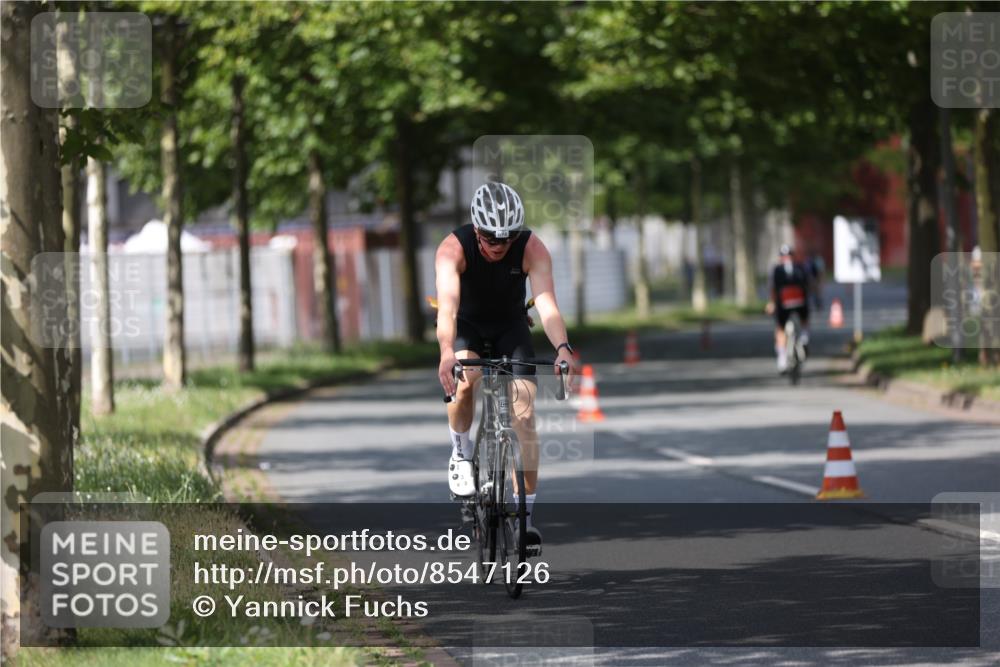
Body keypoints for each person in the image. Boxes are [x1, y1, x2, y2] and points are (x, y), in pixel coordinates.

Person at [435, 181, 576, 553]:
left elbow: (547, 305)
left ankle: (526, 518)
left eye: (507, 241)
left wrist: (562, 348)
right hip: (467, 324)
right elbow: (447, 308)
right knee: (465, 381)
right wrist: (447, 352)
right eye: (492, 241)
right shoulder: (453, 249)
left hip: (511, 325)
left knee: (525, 415)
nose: (499, 248)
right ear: (477, 231)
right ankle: (461, 453)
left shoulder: (531, 248)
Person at [765, 244, 811, 373]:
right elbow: (808, 286)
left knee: (780, 329)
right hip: (800, 304)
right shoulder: (800, 268)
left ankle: (782, 358)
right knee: (804, 321)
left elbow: (773, 289)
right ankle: (804, 338)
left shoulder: (777, 270)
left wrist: (771, 303)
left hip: (783, 305)